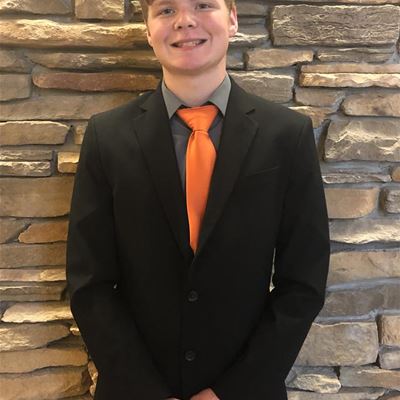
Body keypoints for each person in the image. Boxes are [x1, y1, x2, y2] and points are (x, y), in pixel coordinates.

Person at [66, 0, 330, 399]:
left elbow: (304, 282)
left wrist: (232, 391)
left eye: (203, 4)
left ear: (233, 19)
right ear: (148, 30)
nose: (185, 21)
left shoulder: (286, 135)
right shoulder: (107, 137)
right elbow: (89, 282)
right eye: (166, 10)